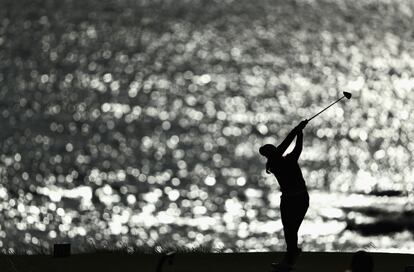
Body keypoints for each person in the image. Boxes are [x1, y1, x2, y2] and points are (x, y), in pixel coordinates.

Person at [259, 120, 309, 265]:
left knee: (290, 229)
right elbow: (287, 145)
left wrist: (299, 132)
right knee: (290, 230)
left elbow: (295, 147)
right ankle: (291, 255)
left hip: (295, 199)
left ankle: (291, 256)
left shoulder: (277, 163)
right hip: (295, 199)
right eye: (272, 151)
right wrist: (297, 131)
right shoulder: (273, 164)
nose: (275, 151)